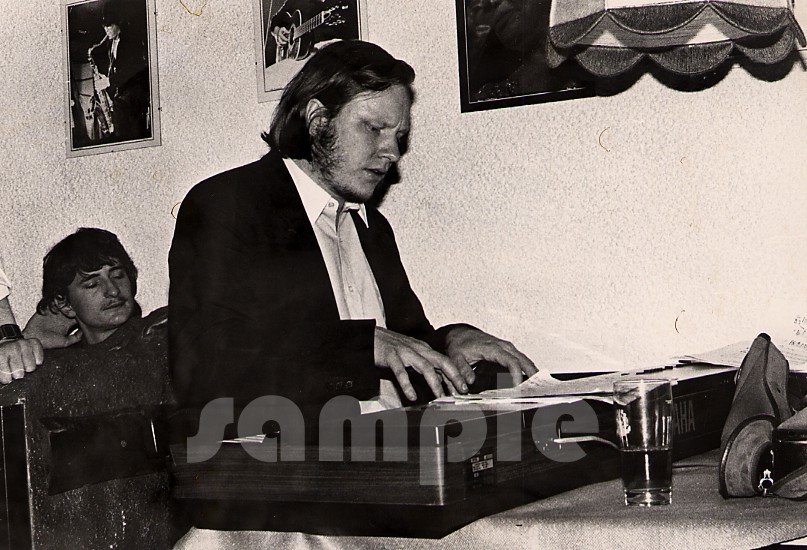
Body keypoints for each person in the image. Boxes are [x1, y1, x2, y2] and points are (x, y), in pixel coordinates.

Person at [169, 39, 537, 424]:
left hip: (397, 441)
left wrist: (452, 339)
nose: (392, 152)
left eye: (398, 136)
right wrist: (358, 347)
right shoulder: (227, 206)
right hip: (295, 452)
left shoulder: (371, 227)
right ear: (317, 120)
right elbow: (205, 368)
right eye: (374, 128)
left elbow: (403, 343)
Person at [32, 227, 166, 350]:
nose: (113, 291)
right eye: (93, 284)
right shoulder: (62, 362)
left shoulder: (163, 330)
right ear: (65, 305)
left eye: (118, 276)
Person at [87, 0, 150, 141]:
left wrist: (109, 81)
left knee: (134, 136)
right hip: (121, 98)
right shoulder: (111, 41)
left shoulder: (131, 41)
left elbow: (133, 69)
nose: (106, 30)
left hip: (133, 99)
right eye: (104, 26)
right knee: (120, 135)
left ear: (119, 23)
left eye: (109, 26)